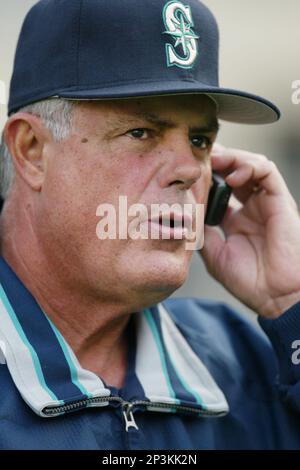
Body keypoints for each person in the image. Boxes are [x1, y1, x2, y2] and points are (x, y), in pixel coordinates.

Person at [0, 0, 300, 451]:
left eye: (200, 140)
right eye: (141, 132)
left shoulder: (248, 360)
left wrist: (290, 300)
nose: (190, 169)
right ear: (32, 151)